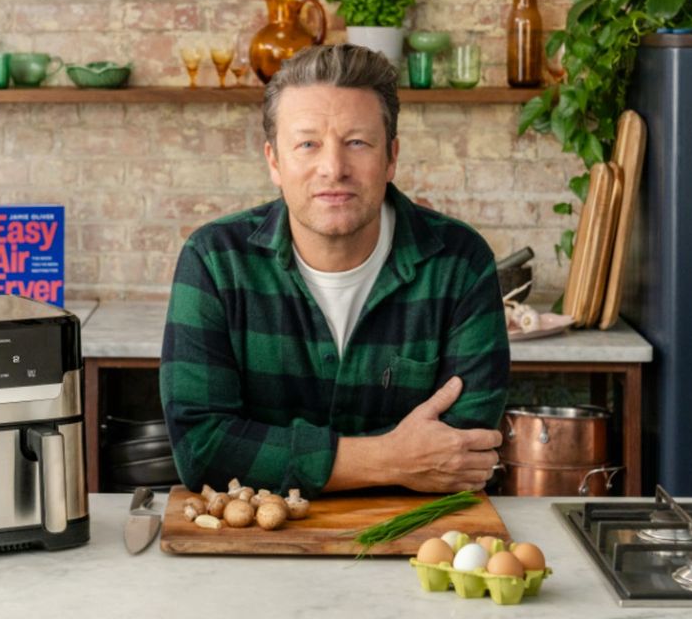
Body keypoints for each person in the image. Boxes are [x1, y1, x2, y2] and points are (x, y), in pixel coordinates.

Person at [159, 44, 509, 498]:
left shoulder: (460, 263)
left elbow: (465, 450)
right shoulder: (213, 261)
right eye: (308, 144)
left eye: (357, 143)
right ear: (274, 162)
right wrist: (391, 459)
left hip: (415, 545)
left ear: (391, 158)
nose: (333, 168)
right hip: (253, 551)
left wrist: (281, 459)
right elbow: (201, 449)